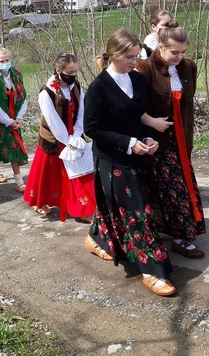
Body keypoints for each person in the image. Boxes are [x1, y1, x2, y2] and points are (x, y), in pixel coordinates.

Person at [84, 29, 175, 297]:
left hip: (138, 153)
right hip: (112, 158)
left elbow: (138, 116)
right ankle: (152, 269)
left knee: (122, 206)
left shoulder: (136, 79)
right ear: (113, 55)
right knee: (137, 211)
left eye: (137, 56)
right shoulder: (98, 88)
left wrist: (147, 137)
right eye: (129, 57)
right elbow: (92, 128)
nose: (135, 63)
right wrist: (127, 142)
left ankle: (96, 236)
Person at [137, 25, 206, 258]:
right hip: (156, 140)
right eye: (175, 52)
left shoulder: (188, 68)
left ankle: (182, 232)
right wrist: (151, 124)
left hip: (181, 137)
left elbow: (187, 104)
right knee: (166, 187)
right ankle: (177, 236)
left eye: (184, 51)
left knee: (181, 184)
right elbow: (135, 107)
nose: (181, 57)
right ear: (160, 48)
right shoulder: (144, 69)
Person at [23, 53, 96, 221]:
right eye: (69, 73)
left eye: (75, 72)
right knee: (48, 173)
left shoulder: (76, 86)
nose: (73, 76)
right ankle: (40, 201)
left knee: (79, 173)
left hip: (74, 137)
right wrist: (68, 140)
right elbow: (53, 121)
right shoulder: (46, 93)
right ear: (58, 70)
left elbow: (81, 111)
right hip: (55, 138)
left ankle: (83, 208)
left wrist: (77, 135)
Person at [0, 47, 28, 193]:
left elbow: (22, 97)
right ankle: (19, 182)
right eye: (1, 61)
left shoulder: (16, 75)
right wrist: (8, 121)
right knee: (12, 146)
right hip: (0, 119)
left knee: (3, 146)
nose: (5, 63)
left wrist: (19, 117)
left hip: (14, 116)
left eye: (7, 60)